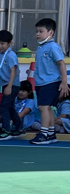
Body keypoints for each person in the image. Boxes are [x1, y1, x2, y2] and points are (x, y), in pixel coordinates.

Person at [31, 17, 69, 145]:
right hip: (40, 83)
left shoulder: (53, 47)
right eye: (36, 31)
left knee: (43, 107)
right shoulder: (41, 48)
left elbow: (61, 64)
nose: (37, 34)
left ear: (50, 32)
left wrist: (64, 82)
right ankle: (51, 133)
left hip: (51, 82)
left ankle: (43, 134)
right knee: (47, 108)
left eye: (41, 31)